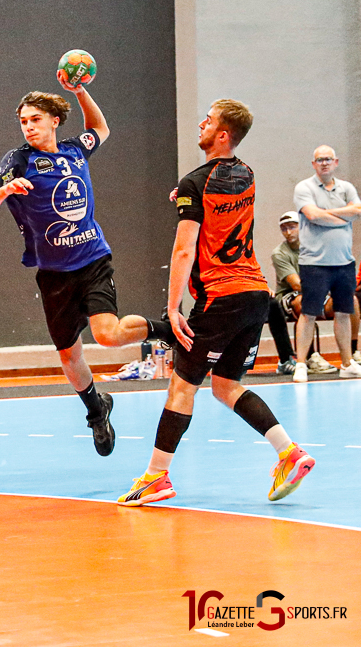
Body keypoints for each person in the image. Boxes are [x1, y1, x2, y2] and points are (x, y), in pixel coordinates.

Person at [118, 99, 314, 507]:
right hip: (257, 294)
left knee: (181, 387)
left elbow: (184, 250)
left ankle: (156, 477)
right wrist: (185, 196)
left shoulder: (194, 182)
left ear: (222, 135)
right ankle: (289, 452)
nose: (202, 124)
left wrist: (173, 307)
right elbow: (221, 207)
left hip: (220, 296)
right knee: (226, 385)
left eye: (209, 121)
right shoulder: (247, 173)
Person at [0, 74, 173, 457]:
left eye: (35, 119)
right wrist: (5, 189)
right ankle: (97, 410)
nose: (28, 126)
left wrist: (80, 91)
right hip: (53, 275)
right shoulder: (18, 161)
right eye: (23, 121)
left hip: (92, 260)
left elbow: (100, 128)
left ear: (54, 120)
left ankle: (166, 330)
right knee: (69, 355)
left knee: (108, 335)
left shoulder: (74, 151)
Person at [291, 145, 361, 382]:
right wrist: (344, 216)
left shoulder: (347, 188)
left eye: (328, 159)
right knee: (309, 313)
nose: (324, 163)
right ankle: (301, 364)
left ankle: (346, 363)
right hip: (314, 263)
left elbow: (358, 211)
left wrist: (327, 214)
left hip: (344, 263)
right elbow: (312, 215)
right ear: (313, 164)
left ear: (336, 162)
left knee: (344, 313)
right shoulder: (304, 187)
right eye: (319, 160)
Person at [268, 211, 354, 375]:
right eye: (284, 229)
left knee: (350, 301)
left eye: (292, 228)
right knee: (304, 301)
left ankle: (352, 355)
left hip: (319, 291)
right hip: (290, 297)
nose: (288, 232)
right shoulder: (280, 253)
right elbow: (295, 284)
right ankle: (310, 356)